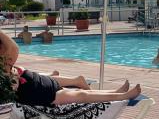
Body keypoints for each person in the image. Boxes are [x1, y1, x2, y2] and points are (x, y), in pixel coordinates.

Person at [0, 30, 141, 107]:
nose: (4, 49)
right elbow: (14, 48)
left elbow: (12, 48)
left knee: (80, 92)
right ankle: (122, 96)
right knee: (82, 95)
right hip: (45, 95)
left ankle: (115, 91)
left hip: (45, 84)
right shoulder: (3, 67)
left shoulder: (6, 65)